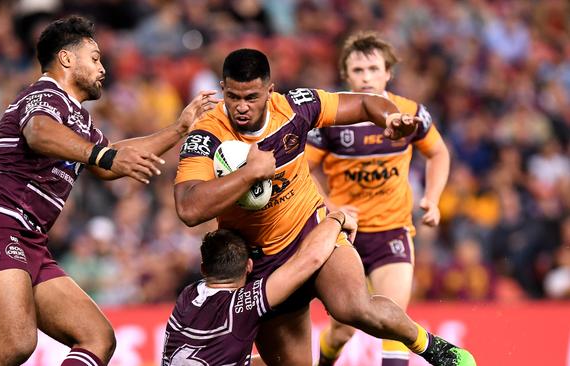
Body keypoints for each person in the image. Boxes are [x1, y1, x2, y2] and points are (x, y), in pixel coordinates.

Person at [0, 16, 218, 366]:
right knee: (16, 341)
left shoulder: (77, 120)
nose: (102, 68)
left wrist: (180, 128)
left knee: (97, 337)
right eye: (95, 58)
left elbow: (109, 160)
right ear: (66, 59)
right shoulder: (45, 94)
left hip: (28, 240)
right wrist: (103, 155)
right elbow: (39, 134)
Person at [174, 48, 474, 366]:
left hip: (314, 231)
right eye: (234, 97)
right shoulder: (206, 133)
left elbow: (361, 103)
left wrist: (389, 117)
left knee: (354, 307)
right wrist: (248, 174)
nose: (242, 107)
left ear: (269, 90)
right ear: (223, 88)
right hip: (263, 268)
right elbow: (189, 208)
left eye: (252, 96)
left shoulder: (296, 107)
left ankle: (434, 349)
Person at [306, 31, 451, 365]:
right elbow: (304, 170)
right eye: (358, 70)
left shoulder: (409, 113)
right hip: (345, 236)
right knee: (342, 331)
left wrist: (432, 197)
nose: (366, 77)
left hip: (392, 231)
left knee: (396, 322)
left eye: (373, 69)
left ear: (388, 73)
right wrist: (331, 206)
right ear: (345, 75)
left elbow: (438, 153)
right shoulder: (330, 120)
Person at [162, 210, 356, 365]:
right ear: (249, 266)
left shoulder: (187, 296)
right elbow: (310, 259)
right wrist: (336, 218)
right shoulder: (243, 306)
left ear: (203, 268)